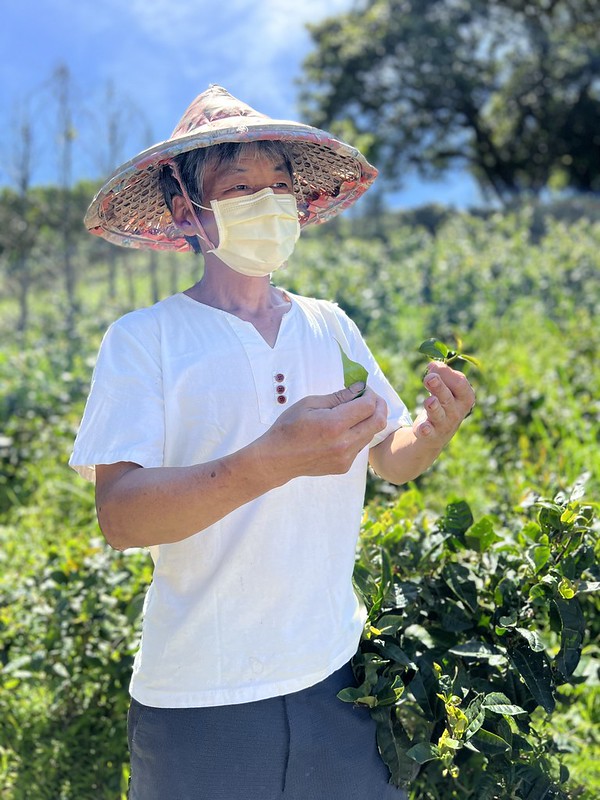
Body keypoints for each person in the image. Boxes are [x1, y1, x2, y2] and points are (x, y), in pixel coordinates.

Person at [70, 85, 475, 800]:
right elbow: (121, 517)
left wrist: (431, 431)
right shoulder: (146, 341)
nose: (269, 201)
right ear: (186, 211)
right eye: (240, 186)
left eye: (280, 185)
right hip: (201, 701)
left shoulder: (330, 326)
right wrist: (266, 463)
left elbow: (390, 457)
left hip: (338, 680)